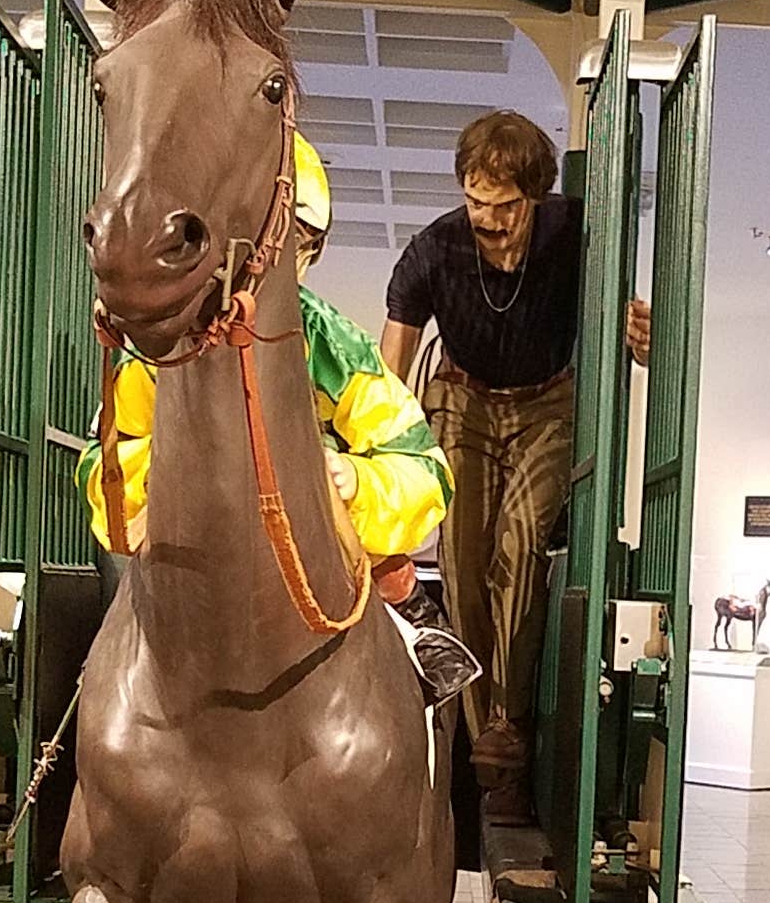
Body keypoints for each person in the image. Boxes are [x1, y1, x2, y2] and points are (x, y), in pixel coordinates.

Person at [77, 133, 475, 698]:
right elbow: (107, 465)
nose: (272, 265)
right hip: (188, 561)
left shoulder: (333, 345)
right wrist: (166, 487)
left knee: (408, 638)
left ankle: (419, 645)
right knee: (103, 668)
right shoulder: (157, 349)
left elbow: (424, 468)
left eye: (297, 244)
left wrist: (355, 481)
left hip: (319, 549)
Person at [381, 110, 647, 819]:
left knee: (522, 542)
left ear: (536, 196)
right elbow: (388, 368)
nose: (487, 220)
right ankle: (482, 753)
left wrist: (627, 322)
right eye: (475, 202)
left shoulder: (574, 233)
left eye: (503, 206)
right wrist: (374, 445)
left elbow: (614, 307)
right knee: (463, 565)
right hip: (461, 402)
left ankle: (509, 725)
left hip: (547, 405)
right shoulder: (433, 250)